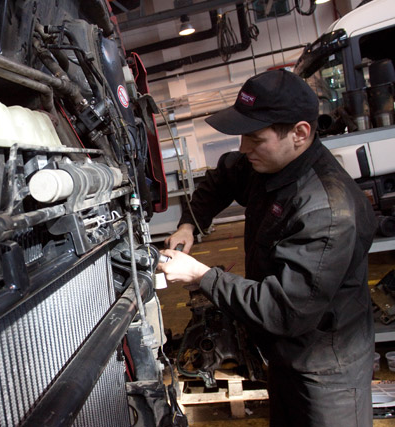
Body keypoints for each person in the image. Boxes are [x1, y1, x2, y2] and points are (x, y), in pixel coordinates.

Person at [159, 69, 377, 427]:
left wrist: (202, 275)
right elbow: (223, 177)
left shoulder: (327, 210)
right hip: (284, 355)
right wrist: (189, 225)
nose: (244, 148)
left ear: (300, 134)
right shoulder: (270, 165)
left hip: (325, 373)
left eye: (255, 139)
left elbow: (285, 309)